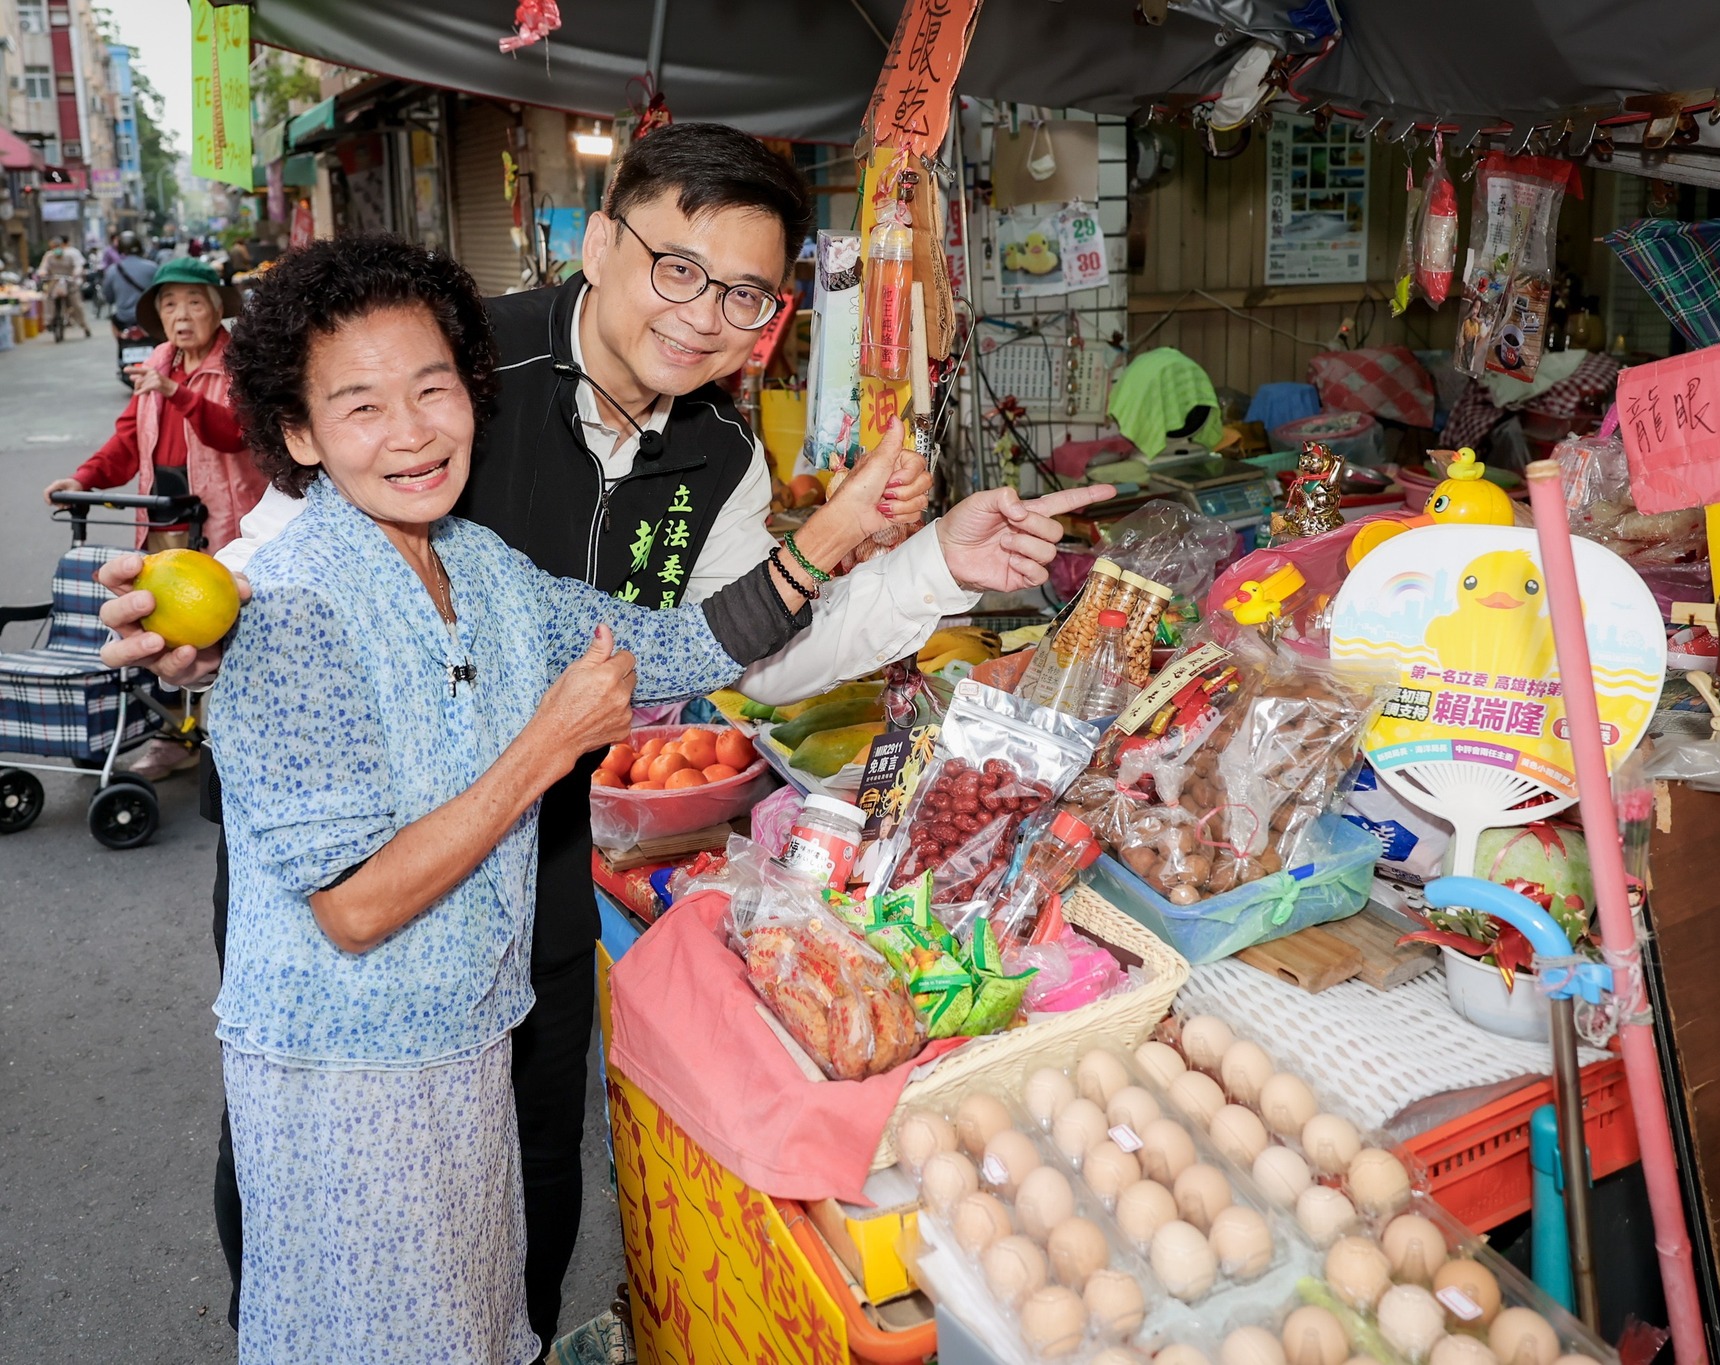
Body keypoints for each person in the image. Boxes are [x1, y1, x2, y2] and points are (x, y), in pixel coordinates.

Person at [96, 121, 1110, 1343]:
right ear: (601, 238)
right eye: (677, 267)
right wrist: (207, 627)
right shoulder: (452, 356)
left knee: (518, 1180)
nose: (701, 315)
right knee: (326, 1250)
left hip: (526, 878)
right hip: (351, 929)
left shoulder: (685, 464)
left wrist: (914, 558)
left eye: (742, 293)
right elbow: (280, 562)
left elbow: (713, 645)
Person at [211, 233, 915, 1362]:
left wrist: (841, 529)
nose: (411, 432)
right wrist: (548, 745)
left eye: (433, 388)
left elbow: (673, 645)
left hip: (464, 1039)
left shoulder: (478, 564)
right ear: (300, 435)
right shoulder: (291, 608)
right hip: (348, 1080)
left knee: (470, 1324)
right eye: (361, 407)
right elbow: (352, 904)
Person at [47, 257, 267, 780]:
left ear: (215, 309)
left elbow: (234, 432)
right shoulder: (159, 362)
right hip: (163, 523)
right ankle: (176, 736)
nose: (181, 315)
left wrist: (176, 393)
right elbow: (129, 438)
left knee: (225, 634)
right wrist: (83, 479)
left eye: (194, 302)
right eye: (170, 305)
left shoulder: (239, 364)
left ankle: (235, 745)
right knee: (167, 634)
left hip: (222, 524)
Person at [37, 233, 89, 338]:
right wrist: (42, 273)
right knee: (47, 298)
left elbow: (78, 266)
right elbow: (43, 268)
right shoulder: (48, 256)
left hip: (69, 282)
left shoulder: (70, 255)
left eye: (57, 246)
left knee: (76, 304)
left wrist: (76, 273)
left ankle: (84, 326)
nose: (55, 249)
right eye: (53, 247)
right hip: (54, 283)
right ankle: (49, 321)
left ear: (62, 246)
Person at [102, 231, 156, 331]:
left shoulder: (112, 270)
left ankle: (121, 339)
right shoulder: (152, 267)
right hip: (149, 317)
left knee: (114, 321)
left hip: (124, 318)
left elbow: (109, 297)